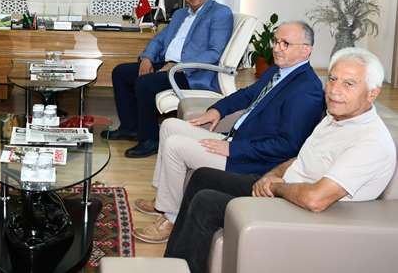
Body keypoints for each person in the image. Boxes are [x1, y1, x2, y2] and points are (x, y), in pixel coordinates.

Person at [164, 47, 396, 273]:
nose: (335, 90)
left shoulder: (370, 142)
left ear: (372, 93)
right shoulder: (336, 117)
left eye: (349, 84)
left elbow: (316, 199)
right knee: (203, 176)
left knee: (206, 202)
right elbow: (303, 157)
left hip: (308, 213)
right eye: (333, 79)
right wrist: (273, 175)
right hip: (289, 191)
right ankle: (174, 265)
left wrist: (277, 187)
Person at [132, 21, 324, 243]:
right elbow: (246, 94)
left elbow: (288, 146)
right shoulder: (278, 71)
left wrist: (234, 149)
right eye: (276, 41)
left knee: (175, 146)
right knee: (169, 126)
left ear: (305, 50)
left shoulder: (306, 89)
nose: (277, 48)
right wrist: (217, 110)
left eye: (285, 44)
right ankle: (163, 200)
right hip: (234, 140)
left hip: (250, 161)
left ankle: (172, 219)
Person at [103, 0, 233, 158]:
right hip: (167, 65)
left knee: (145, 83)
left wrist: (178, 66)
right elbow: (159, 39)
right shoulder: (180, 14)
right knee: (121, 72)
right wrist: (147, 58)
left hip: (191, 73)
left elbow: (214, 52)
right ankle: (130, 128)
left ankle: (150, 140)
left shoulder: (220, 13)